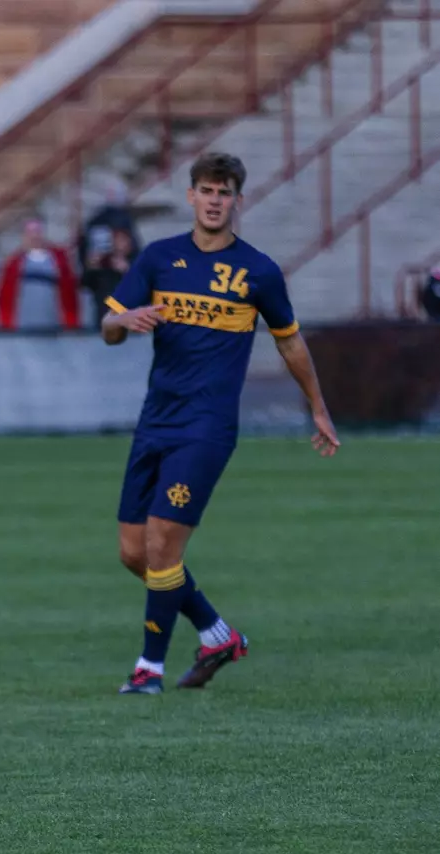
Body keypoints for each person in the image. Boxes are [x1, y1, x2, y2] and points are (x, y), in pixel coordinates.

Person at [102, 151, 338, 695]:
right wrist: (122, 319)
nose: (214, 200)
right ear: (191, 196)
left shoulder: (258, 271)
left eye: (224, 192)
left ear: (237, 200)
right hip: (155, 420)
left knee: (163, 543)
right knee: (133, 554)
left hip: (206, 428)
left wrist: (318, 408)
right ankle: (217, 634)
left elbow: (291, 343)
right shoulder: (159, 259)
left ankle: (149, 670)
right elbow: (108, 327)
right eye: (206, 190)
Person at [0, 219, 79, 331]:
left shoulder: (58, 260)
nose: (34, 236)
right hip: (23, 322)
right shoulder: (14, 263)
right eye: (30, 232)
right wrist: (6, 323)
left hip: (54, 320)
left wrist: (71, 321)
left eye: (37, 232)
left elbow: (69, 292)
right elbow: (4, 295)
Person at [81, 225, 136, 330]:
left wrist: (126, 271)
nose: (119, 245)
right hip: (104, 319)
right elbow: (85, 285)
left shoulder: (137, 263)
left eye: (123, 241)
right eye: (116, 240)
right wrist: (92, 267)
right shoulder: (104, 266)